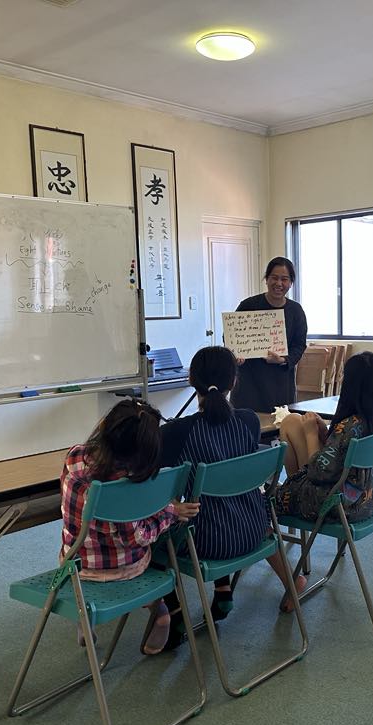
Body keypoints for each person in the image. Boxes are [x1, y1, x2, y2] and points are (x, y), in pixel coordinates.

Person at [156, 345, 302, 645]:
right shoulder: (248, 421)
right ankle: (225, 590)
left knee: (152, 531)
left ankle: (173, 610)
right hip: (256, 531)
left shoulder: (175, 432)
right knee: (223, 502)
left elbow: (150, 483)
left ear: (190, 381)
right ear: (234, 382)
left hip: (207, 543)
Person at [59, 399, 198, 653]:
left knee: (75, 536)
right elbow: (138, 537)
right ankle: (161, 611)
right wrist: (170, 512)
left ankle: (82, 615)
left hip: (77, 568)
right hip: (125, 569)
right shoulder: (127, 487)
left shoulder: (74, 456)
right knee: (155, 545)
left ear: (103, 426)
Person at [274, 351, 373, 525]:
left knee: (269, 497)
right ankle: (294, 487)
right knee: (292, 421)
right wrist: (326, 433)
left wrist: (311, 434)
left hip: (334, 507)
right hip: (368, 501)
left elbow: (318, 473)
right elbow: (340, 457)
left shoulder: (347, 428)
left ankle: (292, 492)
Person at [230, 257, 308, 413]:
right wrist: (235, 353)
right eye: (274, 278)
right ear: (266, 279)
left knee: (279, 430)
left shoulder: (296, 311)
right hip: (248, 384)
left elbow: (299, 345)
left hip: (280, 385)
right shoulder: (248, 305)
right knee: (245, 430)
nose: (279, 283)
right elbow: (231, 334)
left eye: (284, 279)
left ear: (291, 283)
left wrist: (284, 360)